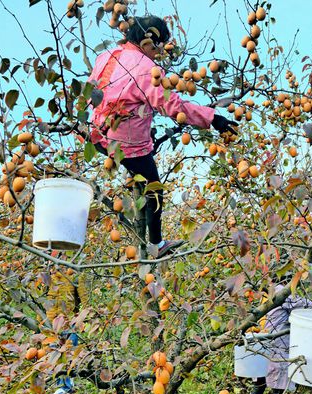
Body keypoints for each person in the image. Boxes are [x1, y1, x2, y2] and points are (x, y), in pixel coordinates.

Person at [88, 16, 237, 257]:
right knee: (154, 188)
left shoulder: (107, 55)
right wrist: (213, 119)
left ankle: (138, 189)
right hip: (124, 143)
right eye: (159, 46)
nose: (161, 53)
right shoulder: (147, 70)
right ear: (148, 42)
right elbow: (173, 106)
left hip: (96, 133)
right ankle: (156, 245)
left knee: (141, 175)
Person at [246, 286, 312, 394]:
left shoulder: (266, 292)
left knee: (260, 382)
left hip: (262, 341)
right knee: (277, 388)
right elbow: (309, 306)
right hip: (278, 345)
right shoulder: (283, 292)